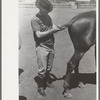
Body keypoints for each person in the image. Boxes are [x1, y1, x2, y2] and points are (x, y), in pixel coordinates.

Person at [31, 0, 60, 96]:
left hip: (51, 45)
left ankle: (47, 81)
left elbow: (51, 27)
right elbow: (38, 35)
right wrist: (52, 30)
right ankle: (40, 87)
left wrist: (56, 28)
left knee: (49, 67)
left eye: (48, 10)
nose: (48, 12)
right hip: (42, 46)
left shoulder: (47, 16)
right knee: (42, 69)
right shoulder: (35, 19)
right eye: (46, 10)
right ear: (40, 8)